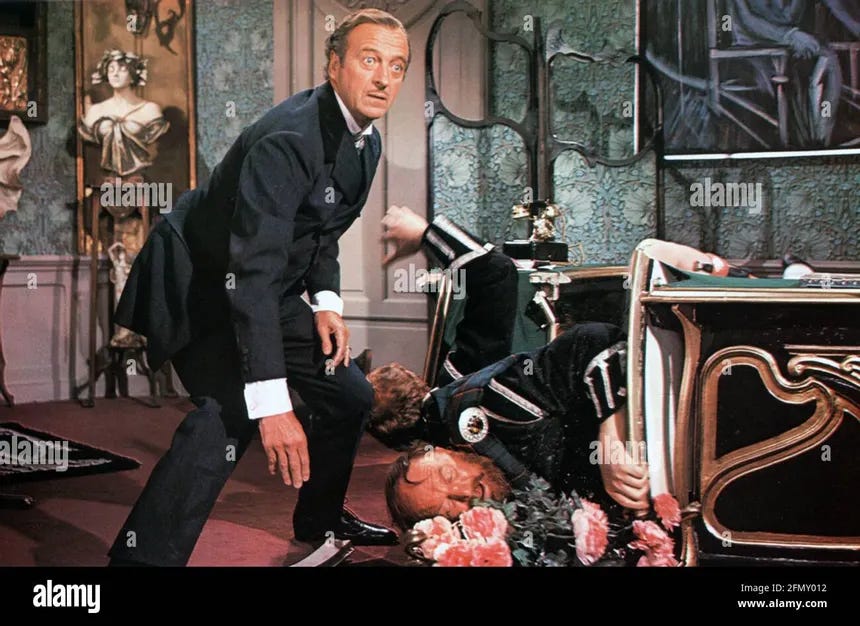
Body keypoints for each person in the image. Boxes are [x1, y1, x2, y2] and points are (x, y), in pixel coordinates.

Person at [108, 9, 411, 566]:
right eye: (370, 60)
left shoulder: (365, 142)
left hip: (262, 282)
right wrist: (272, 404)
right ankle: (140, 560)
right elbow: (248, 273)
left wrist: (326, 303)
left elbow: (322, 231)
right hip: (202, 282)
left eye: (396, 66)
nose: (383, 79)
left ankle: (320, 519)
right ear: (335, 65)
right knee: (229, 412)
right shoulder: (287, 140)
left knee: (350, 395)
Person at [370, 206, 649, 529]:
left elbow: (497, 279)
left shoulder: (460, 399)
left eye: (447, 476)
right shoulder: (459, 389)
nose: (463, 492)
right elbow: (496, 274)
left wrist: (610, 442)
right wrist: (427, 234)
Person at [727, 0, 860, 146]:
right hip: (754, 46)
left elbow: (838, 7)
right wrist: (789, 35)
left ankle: (820, 137)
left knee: (825, 60)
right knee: (816, 65)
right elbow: (748, 20)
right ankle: (814, 141)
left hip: (796, 45)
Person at [79, 49, 169, 177]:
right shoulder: (96, 111)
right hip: (103, 182)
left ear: (133, 76)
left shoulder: (150, 110)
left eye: (122, 69)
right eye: (111, 69)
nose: (115, 74)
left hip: (142, 182)